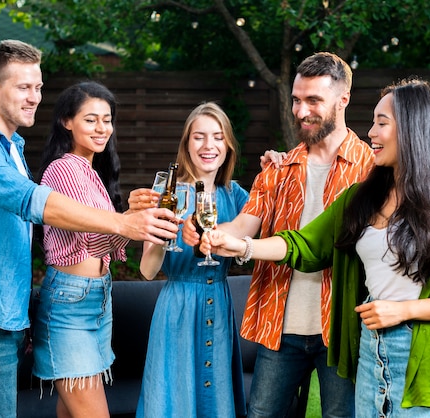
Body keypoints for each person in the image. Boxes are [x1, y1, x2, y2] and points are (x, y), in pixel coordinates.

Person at [204, 78, 430, 417]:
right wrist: (241, 245)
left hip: (424, 359)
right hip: (370, 351)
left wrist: (402, 311)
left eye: (382, 123)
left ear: (414, 130)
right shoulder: (361, 199)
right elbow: (304, 245)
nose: (371, 132)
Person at [0, 40, 177, 418]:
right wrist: (124, 221)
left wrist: (128, 216)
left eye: (39, 87)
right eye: (23, 87)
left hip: (6, 309)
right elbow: (37, 204)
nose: (34, 97)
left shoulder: (11, 148)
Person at [183, 51, 373, 417]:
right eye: (297, 101)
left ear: (343, 99)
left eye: (313, 100)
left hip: (344, 327)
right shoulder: (277, 169)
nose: (301, 112)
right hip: (280, 326)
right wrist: (208, 233)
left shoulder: (372, 171)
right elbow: (242, 227)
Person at [128, 102, 249, 417]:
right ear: (186, 144)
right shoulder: (165, 192)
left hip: (220, 308)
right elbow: (147, 270)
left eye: (218, 137)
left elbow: (254, 245)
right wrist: (162, 236)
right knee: (173, 399)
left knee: (216, 402)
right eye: (199, 137)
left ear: (228, 146)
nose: (209, 146)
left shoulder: (235, 195)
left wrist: (278, 161)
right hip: (178, 309)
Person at [30, 81, 128, 418]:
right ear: (66, 121)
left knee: (71, 413)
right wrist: (131, 222)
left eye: (107, 119)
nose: (102, 128)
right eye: (90, 119)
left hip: (97, 299)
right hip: (69, 304)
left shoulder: (91, 172)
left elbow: (106, 243)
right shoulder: (63, 168)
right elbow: (89, 231)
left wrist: (133, 218)